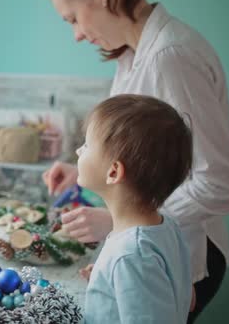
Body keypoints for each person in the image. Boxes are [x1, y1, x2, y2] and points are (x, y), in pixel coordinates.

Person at [42, 0, 229, 322]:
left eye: (73, 18)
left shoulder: (171, 58)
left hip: (186, 251)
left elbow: (223, 183)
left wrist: (122, 220)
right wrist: (83, 166)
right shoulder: (132, 55)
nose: (77, 35)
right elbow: (137, 152)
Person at [76, 94, 193, 323]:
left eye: (87, 145)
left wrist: (123, 271)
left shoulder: (130, 255)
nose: (79, 151)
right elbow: (186, 298)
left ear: (113, 172)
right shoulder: (167, 226)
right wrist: (110, 282)